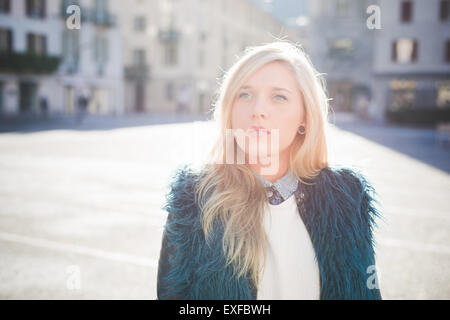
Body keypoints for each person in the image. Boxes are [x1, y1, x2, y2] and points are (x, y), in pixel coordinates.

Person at [157, 41, 383, 300]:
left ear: (305, 117)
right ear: (230, 111)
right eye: (245, 94)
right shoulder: (193, 201)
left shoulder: (347, 199)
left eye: (279, 96)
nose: (258, 111)